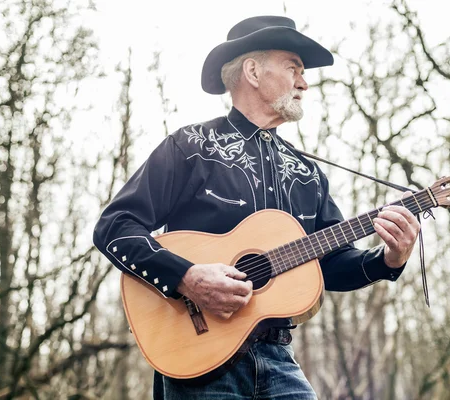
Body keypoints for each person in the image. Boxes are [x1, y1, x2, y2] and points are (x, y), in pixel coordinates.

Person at [93, 15, 420, 400]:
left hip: (279, 359)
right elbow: (115, 226)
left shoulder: (307, 172)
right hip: (200, 362)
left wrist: (389, 259)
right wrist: (186, 276)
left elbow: (330, 265)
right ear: (252, 70)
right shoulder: (191, 147)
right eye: (293, 68)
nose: (304, 82)